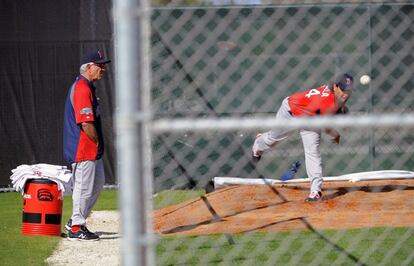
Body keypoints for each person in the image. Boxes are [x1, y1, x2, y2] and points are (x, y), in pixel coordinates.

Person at [252, 73, 353, 202]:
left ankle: (315, 191)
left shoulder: (337, 95)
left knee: (313, 152)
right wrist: (336, 134)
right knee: (271, 140)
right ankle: (258, 144)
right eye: (343, 89)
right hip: (291, 112)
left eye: (348, 90)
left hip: (311, 120)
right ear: (335, 87)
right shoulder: (325, 102)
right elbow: (326, 126)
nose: (345, 93)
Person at [63, 49, 111, 241]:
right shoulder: (82, 87)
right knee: (83, 188)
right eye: (100, 65)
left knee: (97, 184)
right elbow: (85, 122)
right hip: (83, 147)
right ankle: (76, 228)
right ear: (89, 67)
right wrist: (97, 141)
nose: (103, 69)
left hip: (90, 148)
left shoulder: (88, 86)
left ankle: (75, 220)